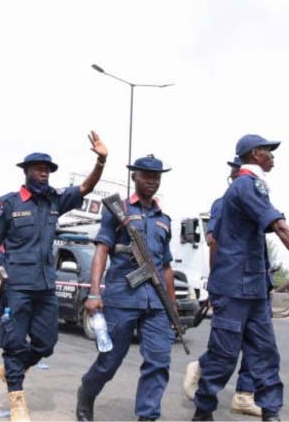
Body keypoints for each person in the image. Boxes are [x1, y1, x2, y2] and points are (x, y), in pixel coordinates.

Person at [190, 135, 289, 422]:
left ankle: (271, 413)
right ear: (255, 154)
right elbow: (280, 228)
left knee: (265, 354)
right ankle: (203, 410)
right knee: (223, 358)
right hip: (233, 289)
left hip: (254, 289)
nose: (273, 157)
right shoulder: (246, 185)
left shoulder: (253, 186)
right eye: (269, 152)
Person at [0, 131, 108, 421]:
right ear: (26, 172)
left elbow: (86, 188)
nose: (44, 174)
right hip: (17, 286)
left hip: (46, 286)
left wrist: (101, 161)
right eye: (38, 169)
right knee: (14, 343)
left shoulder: (54, 201)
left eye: (47, 170)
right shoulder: (8, 204)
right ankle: (17, 400)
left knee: (45, 344)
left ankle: (13, 367)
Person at [75, 155, 176, 422]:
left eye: (156, 176)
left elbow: (165, 266)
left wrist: (172, 306)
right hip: (122, 296)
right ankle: (87, 392)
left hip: (156, 303)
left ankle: (147, 416)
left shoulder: (164, 219)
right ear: (134, 177)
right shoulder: (117, 210)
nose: (152, 181)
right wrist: (95, 293)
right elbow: (102, 250)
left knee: (159, 360)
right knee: (110, 361)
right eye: (146, 175)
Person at [183, 157, 261, 417]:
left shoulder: (258, 204)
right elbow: (213, 242)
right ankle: (201, 368)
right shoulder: (224, 204)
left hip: (254, 286)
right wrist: (216, 284)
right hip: (230, 285)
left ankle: (244, 394)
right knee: (227, 348)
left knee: (255, 345)